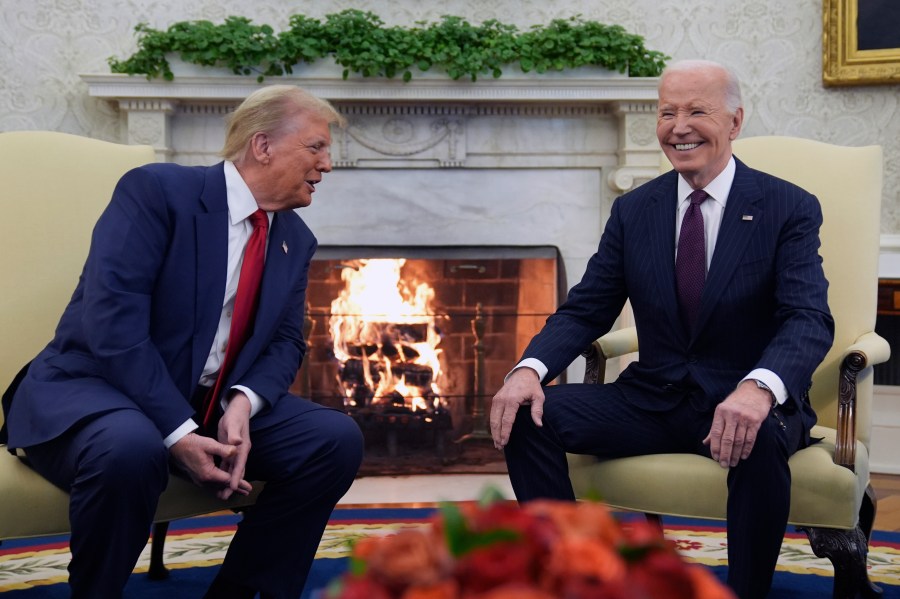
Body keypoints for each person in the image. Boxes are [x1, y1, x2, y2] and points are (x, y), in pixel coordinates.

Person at [489, 59, 834, 599]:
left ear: (736, 121)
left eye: (698, 110)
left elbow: (807, 318)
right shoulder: (635, 211)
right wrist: (528, 370)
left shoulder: (786, 207)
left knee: (759, 437)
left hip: (745, 400)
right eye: (667, 112)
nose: (679, 126)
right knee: (530, 416)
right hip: (655, 398)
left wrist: (758, 388)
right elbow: (586, 309)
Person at [1, 85, 364, 598]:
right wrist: (179, 431)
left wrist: (243, 402)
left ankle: (240, 593)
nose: (327, 165)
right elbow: (113, 323)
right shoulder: (156, 192)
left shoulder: (294, 237)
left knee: (333, 440)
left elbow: (286, 341)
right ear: (262, 145)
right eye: (316, 147)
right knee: (132, 446)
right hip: (95, 390)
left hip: (206, 400)